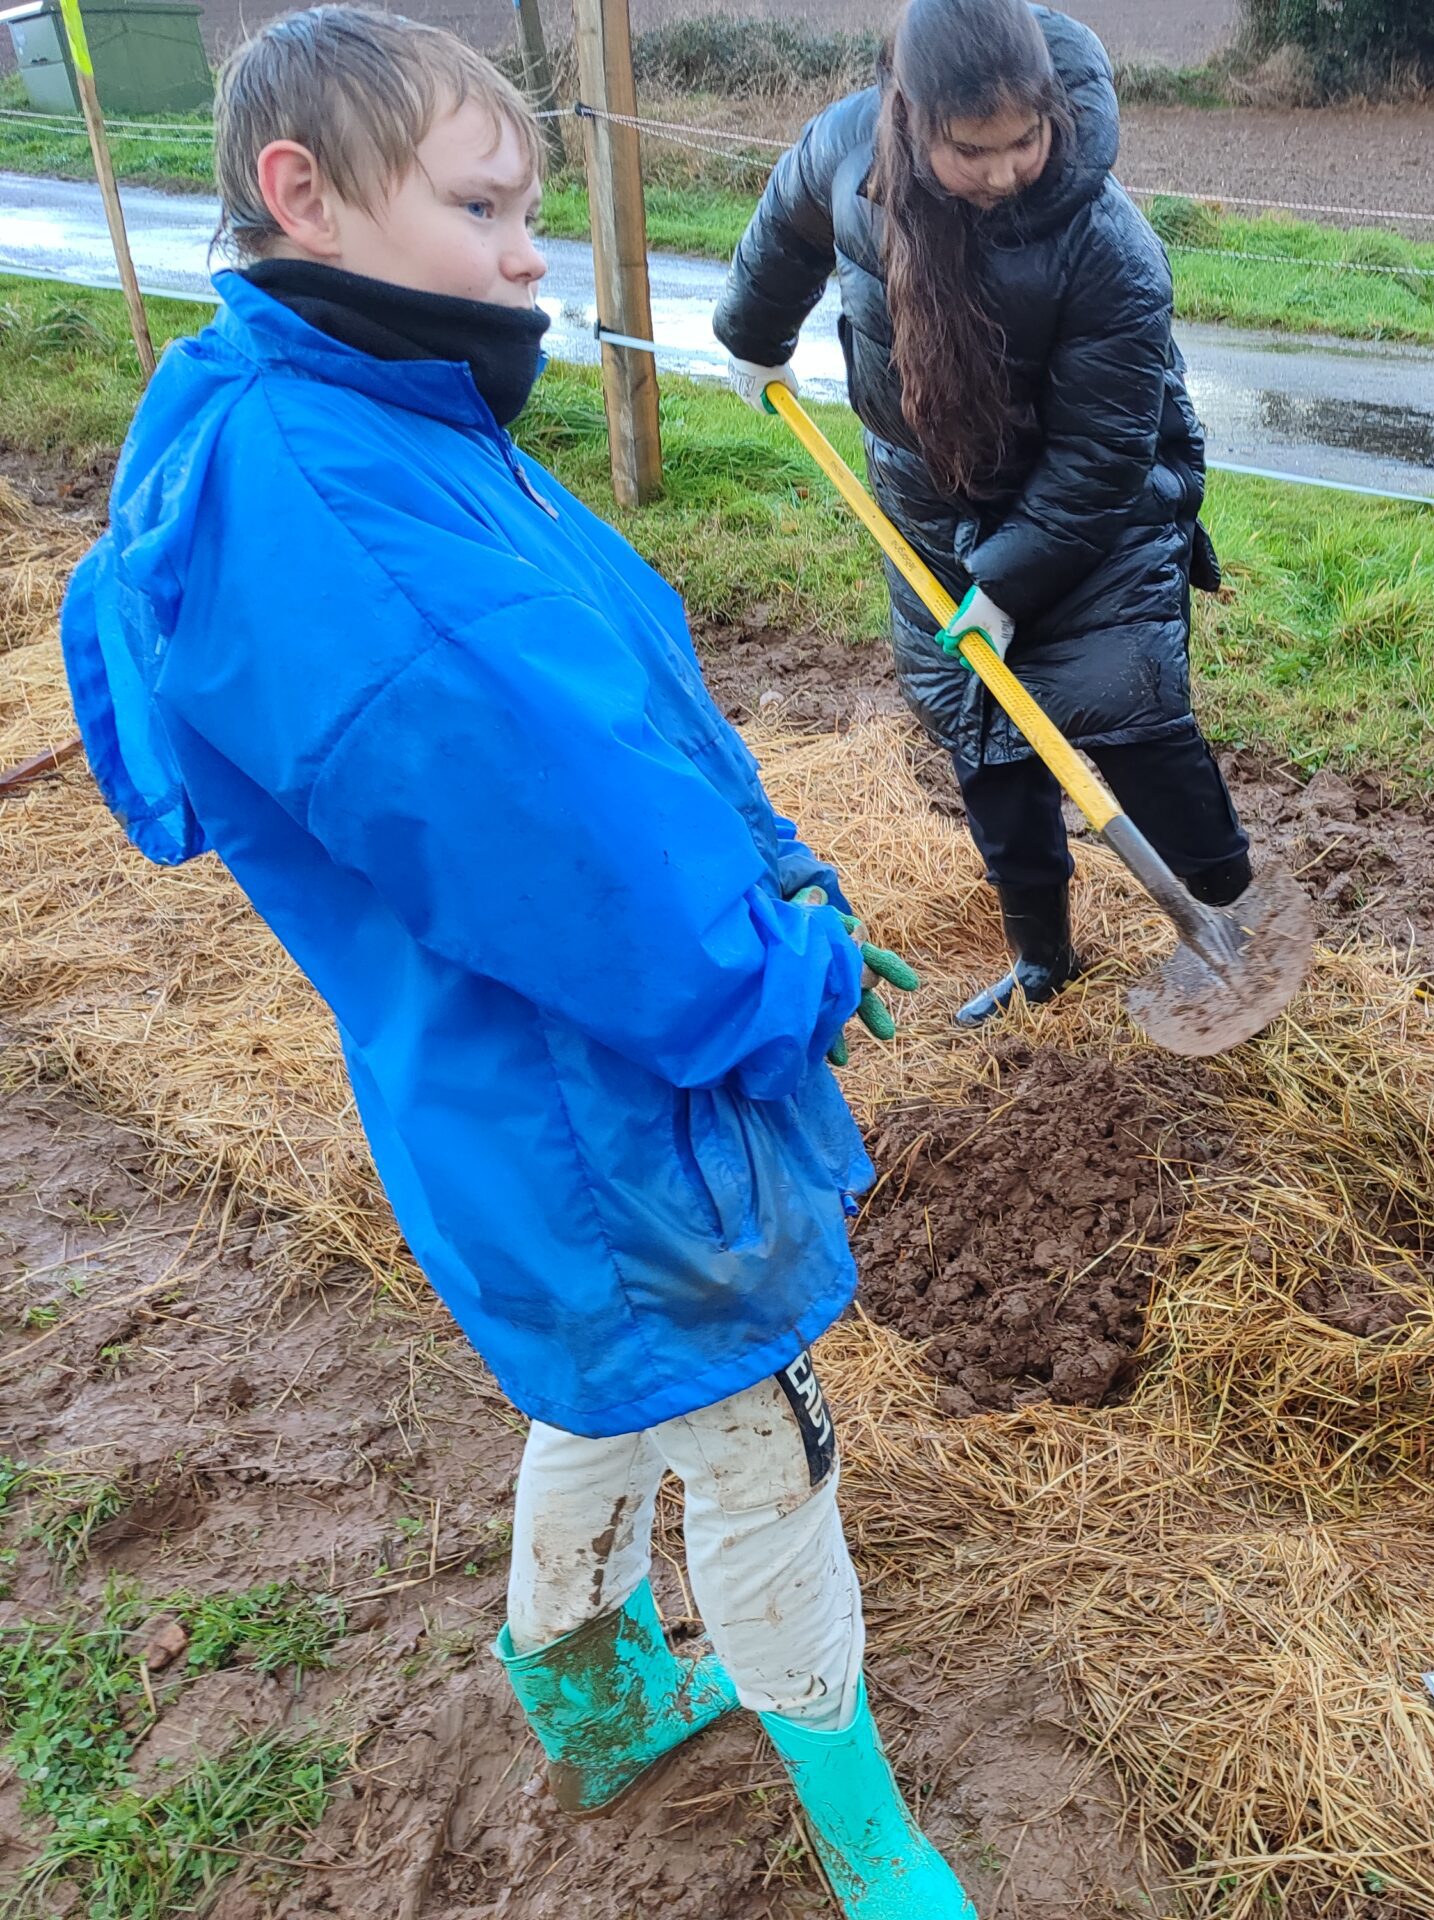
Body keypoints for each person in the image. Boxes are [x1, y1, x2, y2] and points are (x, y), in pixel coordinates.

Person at [56, 13, 968, 1914]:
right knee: (756, 1416)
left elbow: (615, 729)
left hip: (522, 1085)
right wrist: (782, 969)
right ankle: (872, 1845)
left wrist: (784, 878)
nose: (528, 254)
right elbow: (572, 857)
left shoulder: (359, 415)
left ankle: (580, 1672)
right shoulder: (338, 512)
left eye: (530, 208)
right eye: (482, 205)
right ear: (303, 194)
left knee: (615, 1369)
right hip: (600, 1091)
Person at [715, 0, 1252, 1028]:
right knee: (988, 743)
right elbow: (786, 225)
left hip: (1098, 509)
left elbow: (1105, 452)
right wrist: (751, 333)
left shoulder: (1108, 246)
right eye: (973, 150)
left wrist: (1007, 584)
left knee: (1127, 714)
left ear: (1052, 109)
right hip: (929, 505)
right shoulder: (850, 149)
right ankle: (1043, 961)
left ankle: (1235, 919)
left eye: (1026, 140)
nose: (1006, 170)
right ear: (912, 121)